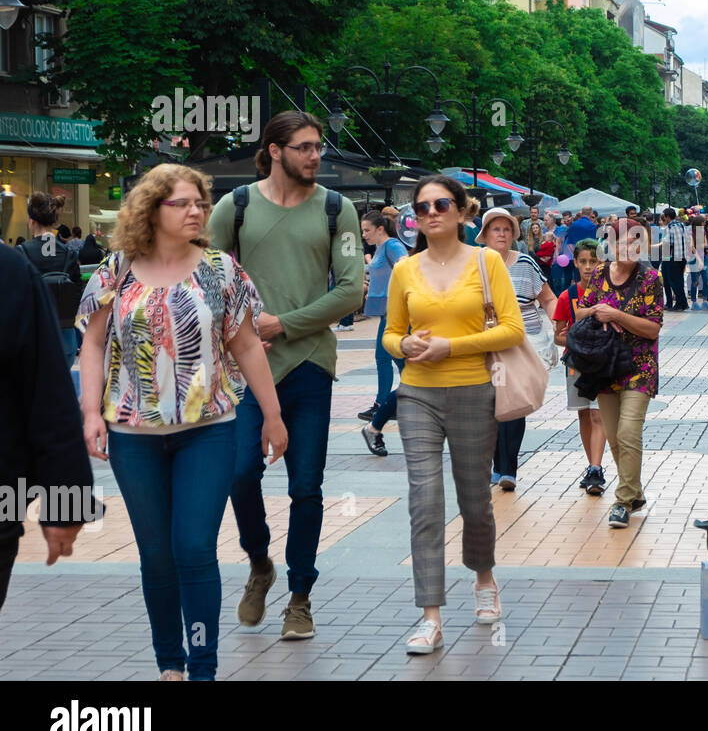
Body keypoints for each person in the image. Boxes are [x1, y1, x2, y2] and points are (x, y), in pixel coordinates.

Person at [78, 163, 288, 680]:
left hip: (208, 430)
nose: (197, 210)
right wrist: (89, 413)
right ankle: (169, 663)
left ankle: (203, 668)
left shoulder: (220, 269)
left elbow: (244, 344)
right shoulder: (117, 269)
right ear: (152, 209)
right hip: (133, 435)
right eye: (183, 203)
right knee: (156, 555)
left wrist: (273, 416)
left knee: (193, 548)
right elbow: (92, 342)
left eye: (201, 201)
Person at [208, 110, 364, 641]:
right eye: (302, 147)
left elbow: (351, 291)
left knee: (306, 487)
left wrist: (284, 322)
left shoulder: (337, 209)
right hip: (246, 370)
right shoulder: (237, 206)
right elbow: (204, 277)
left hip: (310, 366)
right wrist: (241, 330)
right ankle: (260, 563)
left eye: (317, 146)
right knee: (238, 474)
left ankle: (300, 596)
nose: (314, 156)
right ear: (274, 151)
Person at [383, 175, 525, 652]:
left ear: (462, 211)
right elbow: (390, 333)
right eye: (421, 208)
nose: (431, 213)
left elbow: (510, 329)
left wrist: (452, 346)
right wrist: (403, 344)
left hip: (473, 390)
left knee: (474, 500)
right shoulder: (406, 268)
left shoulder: (486, 262)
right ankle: (430, 615)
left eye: (441, 203)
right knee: (424, 500)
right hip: (417, 393)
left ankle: (484, 576)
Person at [0, 240, 97, 613]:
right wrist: (65, 505)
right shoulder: (11, 271)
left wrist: (66, 503)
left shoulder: (12, 273)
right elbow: (48, 393)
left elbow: (47, 397)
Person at [574, 218, 664, 529]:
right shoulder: (599, 273)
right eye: (624, 242)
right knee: (613, 436)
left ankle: (623, 501)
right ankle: (636, 492)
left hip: (639, 366)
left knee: (628, 432)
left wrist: (617, 315)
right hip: (604, 365)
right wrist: (599, 311)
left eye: (637, 242)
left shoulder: (651, 279)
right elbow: (580, 310)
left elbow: (652, 328)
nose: (631, 248)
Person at [478, 207, 556, 491]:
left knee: (514, 403)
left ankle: (508, 468)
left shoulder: (524, 263)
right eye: (496, 229)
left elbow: (547, 298)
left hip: (524, 342)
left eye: (507, 229)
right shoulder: (474, 265)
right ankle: (497, 465)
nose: (502, 234)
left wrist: (561, 324)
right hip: (487, 343)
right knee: (493, 404)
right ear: (485, 234)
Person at [553, 238, 609, 494]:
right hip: (575, 362)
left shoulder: (610, 293)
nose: (588, 267)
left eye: (593, 261)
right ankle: (591, 465)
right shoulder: (568, 296)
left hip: (602, 362)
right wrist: (575, 338)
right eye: (583, 262)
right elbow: (558, 336)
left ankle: (596, 468)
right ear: (575, 263)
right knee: (584, 413)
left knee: (599, 414)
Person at [358, 210, 409, 456]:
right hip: (388, 312)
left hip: (396, 313)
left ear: (380, 228)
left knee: (392, 358)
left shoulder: (391, 245)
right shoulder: (381, 248)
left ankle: (383, 404)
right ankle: (393, 402)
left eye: (367, 229)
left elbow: (404, 265)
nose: (363, 234)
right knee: (392, 359)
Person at [19, 192, 83, 368]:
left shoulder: (22, 252)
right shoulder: (69, 254)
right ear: (55, 221)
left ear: (32, 221)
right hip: (65, 337)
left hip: (32, 337)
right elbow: (77, 294)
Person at [659, 208, 688, 311]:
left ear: (667, 217)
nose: (664, 219)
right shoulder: (681, 225)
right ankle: (683, 303)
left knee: (674, 282)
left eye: (664, 217)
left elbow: (669, 245)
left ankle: (680, 304)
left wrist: (664, 259)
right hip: (682, 257)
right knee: (679, 281)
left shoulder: (670, 227)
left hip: (673, 257)